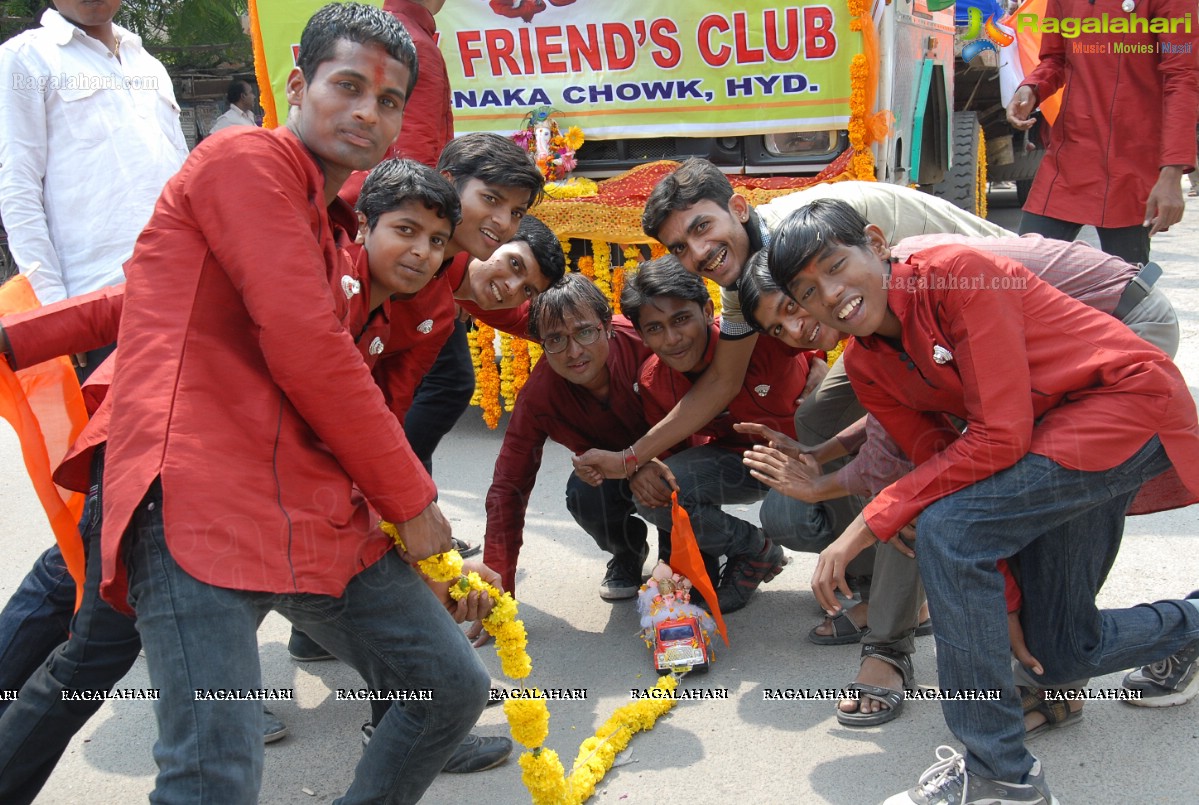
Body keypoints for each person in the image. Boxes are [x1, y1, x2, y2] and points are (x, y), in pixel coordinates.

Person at [81, 5, 496, 801]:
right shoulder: (244, 160)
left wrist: (413, 534)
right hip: (198, 496)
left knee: (446, 685)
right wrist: (412, 503)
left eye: (387, 100)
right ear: (296, 85)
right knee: (213, 772)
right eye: (348, 86)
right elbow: (304, 344)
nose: (368, 113)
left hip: (308, 503)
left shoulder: (341, 226)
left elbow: (354, 379)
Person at [772, 199, 1199, 804]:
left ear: (876, 241)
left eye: (837, 265)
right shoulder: (868, 368)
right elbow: (955, 475)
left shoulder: (957, 277)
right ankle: (1191, 627)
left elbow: (998, 438)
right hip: (1048, 449)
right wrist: (1007, 607)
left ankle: (1001, 775)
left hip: (1126, 407)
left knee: (944, 527)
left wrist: (871, 518)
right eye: (808, 291)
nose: (830, 294)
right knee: (1062, 650)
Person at [0, 0, 187, 717]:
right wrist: (56, 320)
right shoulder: (28, 58)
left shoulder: (145, 60)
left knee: (140, 510)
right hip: (99, 314)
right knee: (127, 515)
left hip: (177, 299)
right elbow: (18, 186)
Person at [620, 255, 813, 612]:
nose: (673, 339)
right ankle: (754, 550)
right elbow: (673, 470)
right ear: (642, 334)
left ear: (708, 310)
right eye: (655, 328)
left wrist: (819, 362)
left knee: (790, 520)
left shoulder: (756, 335)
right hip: (743, 463)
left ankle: (866, 575)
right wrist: (644, 467)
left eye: (681, 319)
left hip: (818, 453)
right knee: (659, 492)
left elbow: (813, 326)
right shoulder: (653, 380)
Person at [482, 273, 661, 597]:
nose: (574, 351)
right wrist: (497, 586)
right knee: (583, 494)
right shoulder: (538, 395)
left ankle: (707, 546)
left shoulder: (647, 339)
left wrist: (642, 458)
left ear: (606, 324)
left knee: (683, 481)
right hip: (606, 473)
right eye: (556, 339)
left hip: (675, 457)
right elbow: (508, 487)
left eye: (584, 332)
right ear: (541, 343)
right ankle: (628, 552)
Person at [1006, 0, 1198, 264]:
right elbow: (1056, 58)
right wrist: (1033, 88)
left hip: (1131, 165)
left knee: (1122, 291)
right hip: (1069, 158)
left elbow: (1183, 78)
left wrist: (1172, 171)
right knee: (1025, 271)